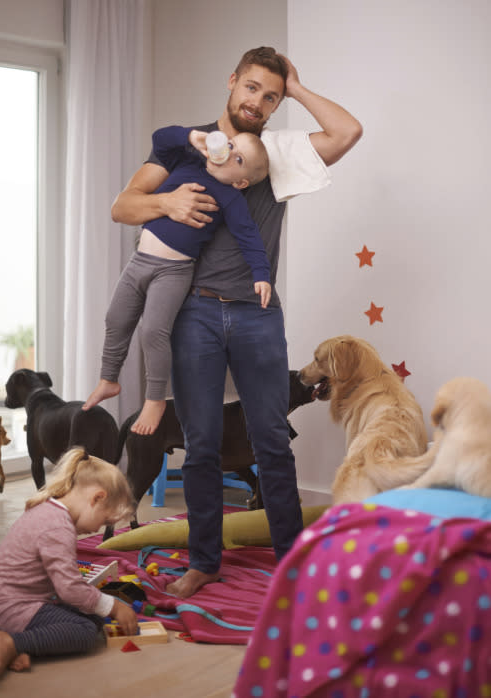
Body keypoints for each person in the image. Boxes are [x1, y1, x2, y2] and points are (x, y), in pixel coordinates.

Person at [111, 47, 363, 598]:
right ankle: (204, 560)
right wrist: (168, 203)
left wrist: (296, 89)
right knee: (200, 444)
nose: (258, 101)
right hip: (193, 312)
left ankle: (292, 561)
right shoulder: (186, 144)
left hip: (257, 314)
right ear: (232, 81)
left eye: (270, 95)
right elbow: (123, 204)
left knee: (271, 439)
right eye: (252, 88)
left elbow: (347, 131)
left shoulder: (282, 150)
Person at [83, 125, 272, 435]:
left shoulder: (230, 196)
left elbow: (248, 236)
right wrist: (191, 136)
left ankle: (155, 398)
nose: (228, 153)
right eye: (231, 144)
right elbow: (160, 139)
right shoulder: (190, 160)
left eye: (238, 158)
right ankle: (108, 379)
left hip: (174, 271)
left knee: (152, 331)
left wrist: (261, 275)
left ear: (240, 182)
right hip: (138, 262)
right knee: (115, 318)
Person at [0, 447, 137, 681]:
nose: (97, 529)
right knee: (85, 632)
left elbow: (64, 586)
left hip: (9, 602)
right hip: (11, 608)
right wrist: (114, 606)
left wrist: (98, 606)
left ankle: (16, 643)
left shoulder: (50, 511)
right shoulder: (57, 527)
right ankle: (11, 642)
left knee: (93, 617)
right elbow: (70, 590)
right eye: (104, 521)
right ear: (97, 498)